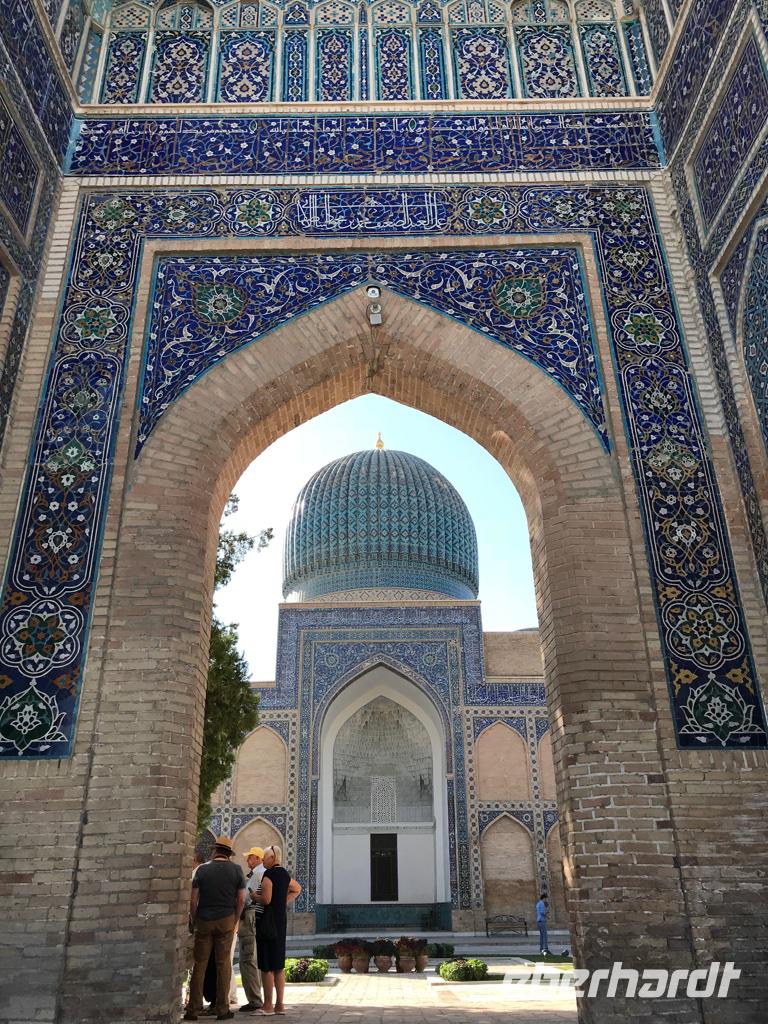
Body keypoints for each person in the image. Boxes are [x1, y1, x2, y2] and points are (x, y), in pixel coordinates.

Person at [185, 836, 246, 1022]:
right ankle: (222, 1009)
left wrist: (195, 919)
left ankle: (193, 1009)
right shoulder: (236, 870)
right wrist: (235, 919)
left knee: (200, 964)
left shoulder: (202, 870)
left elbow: (193, 899)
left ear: (215, 851)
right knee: (223, 964)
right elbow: (241, 899)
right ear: (228, 854)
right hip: (226, 920)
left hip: (204, 919)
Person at [252, 845, 301, 1016]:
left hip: (267, 922)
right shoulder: (285, 874)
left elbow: (265, 899)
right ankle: (279, 1005)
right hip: (280, 922)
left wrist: (254, 897)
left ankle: (267, 1006)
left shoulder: (269, 874)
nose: (263, 860)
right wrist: (282, 902)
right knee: (278, 965)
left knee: (267, 966)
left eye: (265, 857)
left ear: (272, 858)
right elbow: (297, 888)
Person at [238, 847, 266, 1013]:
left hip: (249, 917)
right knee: (255, 958)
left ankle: (255, 999)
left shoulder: (257, 874)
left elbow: (247, 898)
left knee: (247, 959)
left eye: (249, 858)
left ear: (257, 858)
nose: (247, 861)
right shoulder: (265, 872)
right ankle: (257, 997)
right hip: (258, 918)